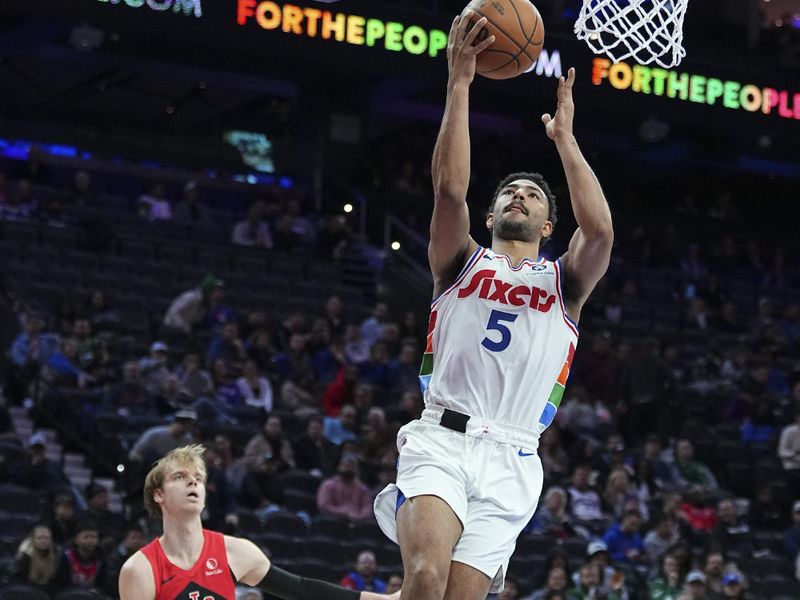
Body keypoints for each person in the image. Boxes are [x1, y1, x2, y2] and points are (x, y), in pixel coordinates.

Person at [372, 12, 613, 600]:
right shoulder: (460, 260)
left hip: (514, 458)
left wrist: (565, 141)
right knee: (425, 580)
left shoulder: (566, 284)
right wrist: (460, 84)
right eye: (509, 191)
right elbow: (450, 188)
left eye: (531, 196)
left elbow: (601, 231)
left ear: (548, 223)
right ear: (491, 215)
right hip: (442, 440)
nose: (518, 196)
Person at [118, 445, 400, 599]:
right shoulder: (140, 569)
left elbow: (303, 590)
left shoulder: (234, 552)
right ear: (158, 495)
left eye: (199, 478)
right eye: (180, 476)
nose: (193, 481)